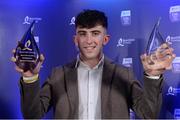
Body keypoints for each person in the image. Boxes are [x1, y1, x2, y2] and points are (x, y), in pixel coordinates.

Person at [11, 9, 175, 119]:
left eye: (95, 33)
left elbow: (149, 114)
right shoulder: (57, 74)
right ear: (75, 39)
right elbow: (32, 115)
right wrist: (30, 77)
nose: (89, 41)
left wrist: (152, 76)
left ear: (105, 39)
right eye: (83, 34)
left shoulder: (124, 74)